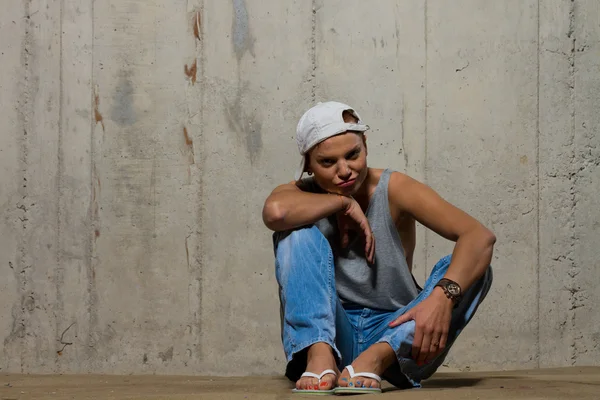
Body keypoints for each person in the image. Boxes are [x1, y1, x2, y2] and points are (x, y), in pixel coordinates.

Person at [262, 101, 494, 394]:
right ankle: (320, 353)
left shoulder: (393, 188)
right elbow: (276, 214)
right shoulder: (299, 194)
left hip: (399, 333)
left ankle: (376, 357)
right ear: (308, 165)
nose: (344, 170)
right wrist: (343, 203)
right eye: (328, 162)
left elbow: (479, 236)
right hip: (334, 331)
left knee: (473, 268)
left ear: (366, 146)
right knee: (293, 232)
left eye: (352, 155)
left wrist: (441, 298)